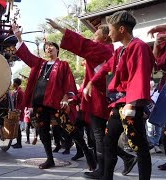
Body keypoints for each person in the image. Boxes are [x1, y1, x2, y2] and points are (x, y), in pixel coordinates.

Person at [47, 18, 137, 179]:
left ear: (104, 37)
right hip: (95, 98)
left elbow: (83, 44)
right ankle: (120, 161)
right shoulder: (107, 50)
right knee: (100, 137)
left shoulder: (103, 50)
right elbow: (89, 78)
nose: (93, 38)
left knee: (98, 136)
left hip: (98, 101)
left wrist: (60, 28)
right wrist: (75, 99)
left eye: (96, 35)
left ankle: (103, 170)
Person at [12, 23, 96, 170]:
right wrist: (19, 38)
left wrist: (66, 97)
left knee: (69, 127)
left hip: (55, 102)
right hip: (39, 102)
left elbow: (69, 83)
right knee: (43, 130)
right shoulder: (39, 64)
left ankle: (87, 152)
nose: (48, 48)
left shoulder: (63, 65)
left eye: (51, 46)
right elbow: (27, 56)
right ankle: (49, 159)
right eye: (46, 47)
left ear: (57, 49)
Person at [84, 11, 154, 180]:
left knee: (139, 146)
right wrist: (91, 82)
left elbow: (140, 75)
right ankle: (106, 177)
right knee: (109, 141)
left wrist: (132, 102)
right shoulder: (120, 51)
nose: (109, 34)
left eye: (111, 29)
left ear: (121, 29)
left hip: (131, 103)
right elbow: (107, 67)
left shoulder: (139, 46)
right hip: (119, 104)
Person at [147, 24, 166, 170]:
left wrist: (155, 28)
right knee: (163, 126)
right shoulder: (162, 50)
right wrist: (156, 45)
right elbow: (154, 64)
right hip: (164, 86)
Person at [11, 78, 24, 148]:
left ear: (16, 83)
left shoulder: (20, 92)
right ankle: (17, 142)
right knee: (16, 128)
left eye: (14, 82)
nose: (13, 84)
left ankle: (19, 144)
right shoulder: (14, 91)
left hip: (18, 113)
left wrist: (18, 110)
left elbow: (22, 103)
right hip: (14, 112)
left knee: (18, 129)